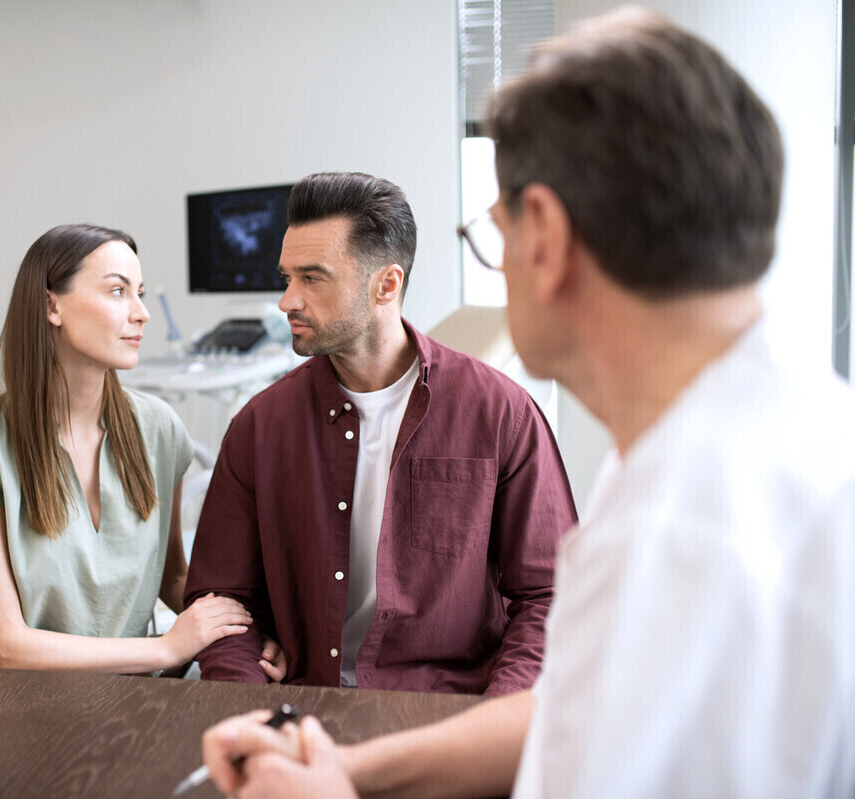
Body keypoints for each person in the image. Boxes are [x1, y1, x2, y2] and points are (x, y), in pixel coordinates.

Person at [200, 7, 855, 798]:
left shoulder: (697, 524)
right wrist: (352, 771)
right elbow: (573, 719)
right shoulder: (734, 449)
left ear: (541, 233)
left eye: (493, 231)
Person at [184, 171, 578, 695]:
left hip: (450, 712)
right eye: (287, 278)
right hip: (305, 704)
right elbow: (222, 599)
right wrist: (248, 700)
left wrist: (496, 716)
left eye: (313, 278)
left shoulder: (500, 413)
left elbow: (550, 593)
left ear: (386, 285)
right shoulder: (260, 426)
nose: (288, 302)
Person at [0, 223, 257, 673]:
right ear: (52, 305)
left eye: (140, 293)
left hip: (108, 689)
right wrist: (166, 648)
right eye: (117, 292)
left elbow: (172, 578)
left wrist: (246, 635)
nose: (141, 312)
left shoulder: (159, 431)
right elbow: (6, 649)